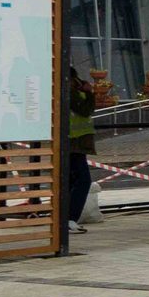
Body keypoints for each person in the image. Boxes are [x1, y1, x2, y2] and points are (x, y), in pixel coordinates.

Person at [67, 68, 96, 234]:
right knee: (83, 180)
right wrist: (89, 93)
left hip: (76, 143)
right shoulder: (69, 93)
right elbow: (85, 110)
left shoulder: (73, 92)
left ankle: (66, 219)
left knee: (72, 182)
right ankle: (70, 219)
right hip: (74, 143)